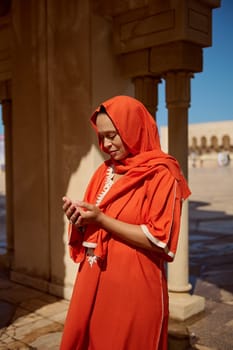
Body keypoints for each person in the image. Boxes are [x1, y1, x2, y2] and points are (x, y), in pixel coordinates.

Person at [60, 95, 191, 350]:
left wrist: (101, 219)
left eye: (112, 135)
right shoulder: (105, 171)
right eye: (102, 136)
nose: (105, 144)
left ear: (134, 128)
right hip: (93, 280)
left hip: (134, 287)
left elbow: (161, 240)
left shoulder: (162, 173)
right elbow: (91, 226)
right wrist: (79, 220)